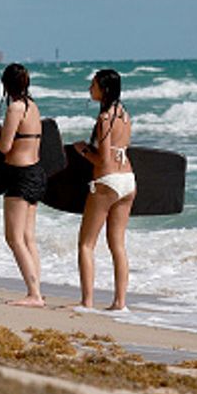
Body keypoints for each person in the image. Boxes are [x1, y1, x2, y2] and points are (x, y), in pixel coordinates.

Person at [73, 68, 135, 312]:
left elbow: (103, 161)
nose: (90, 89)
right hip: (128, 181)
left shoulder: (105, 118)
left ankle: (87, 302)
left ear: (104, 89)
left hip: (107, 182)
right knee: (118, 245)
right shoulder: (125, 115)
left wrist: (82, 150)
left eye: (93, 85)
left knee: (86, 244)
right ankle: (120, 303)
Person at [0, 63, 46, 307]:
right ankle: (37, 291)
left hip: (20, 175)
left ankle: (34, 295)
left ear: (6, 84)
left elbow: (5, 146)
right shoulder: (33, 106)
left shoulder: (15, 108)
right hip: (36, 172)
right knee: (28, 237)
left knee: (14, 238)